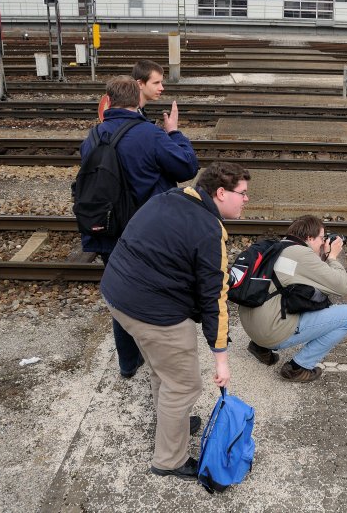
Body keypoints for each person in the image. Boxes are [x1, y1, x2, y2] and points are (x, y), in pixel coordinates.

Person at [100, 161, 250, 481]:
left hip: (117, 295)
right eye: (243, 193)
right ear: (221, 193)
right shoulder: (210, 230)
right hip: (153, 312)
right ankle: (169, 460)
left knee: (162, 369)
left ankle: (172, 422)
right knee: (184, 385)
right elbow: (214, 300)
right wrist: (220, 358)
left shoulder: (169, 197)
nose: (246, 199)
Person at [80, 69, 198, 379]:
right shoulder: (150, 134)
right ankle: (159, 359)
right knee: (153, 295)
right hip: (145, 234)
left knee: (121, 294)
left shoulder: (92, 136)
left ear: (109, 101)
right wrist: (174, 132)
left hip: (106, 229)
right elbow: (187, 166)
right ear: (137, 99)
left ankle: (128, 362)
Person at [239, 215, 347, 382]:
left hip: (250, 325)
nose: (323, 243)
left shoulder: (278, 247)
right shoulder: (301, 255)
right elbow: (341, 287)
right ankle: (299, 367)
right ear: (309, 238)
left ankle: (260, 347)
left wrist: (321, 255)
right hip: (269, 331)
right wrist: (332, 258)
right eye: (322, 238)